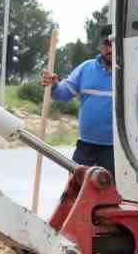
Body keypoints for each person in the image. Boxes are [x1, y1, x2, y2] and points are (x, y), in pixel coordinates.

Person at [40, 31, 114, 174]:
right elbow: (63, 93)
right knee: (76, 189)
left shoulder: (127, 71)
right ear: (100, 46)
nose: (110, 49)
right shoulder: (86, 68)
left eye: (114, 44)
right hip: (85, 148)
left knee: (109, 194)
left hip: (115, 150)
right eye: (106, 44)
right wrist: (54, 85)